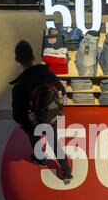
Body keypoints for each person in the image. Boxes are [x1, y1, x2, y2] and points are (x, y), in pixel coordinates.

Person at [10, 40, 73, 183]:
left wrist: (28, 122)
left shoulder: (19, 86)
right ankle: (67, 173)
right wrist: (57, 110)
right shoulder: (46, 73)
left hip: (33, 124)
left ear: (16, 60)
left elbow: (17, 115)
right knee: (55, 145)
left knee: (35, 142)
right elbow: (61, 90)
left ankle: (40, 160)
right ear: (33, 57)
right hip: (51, 118)